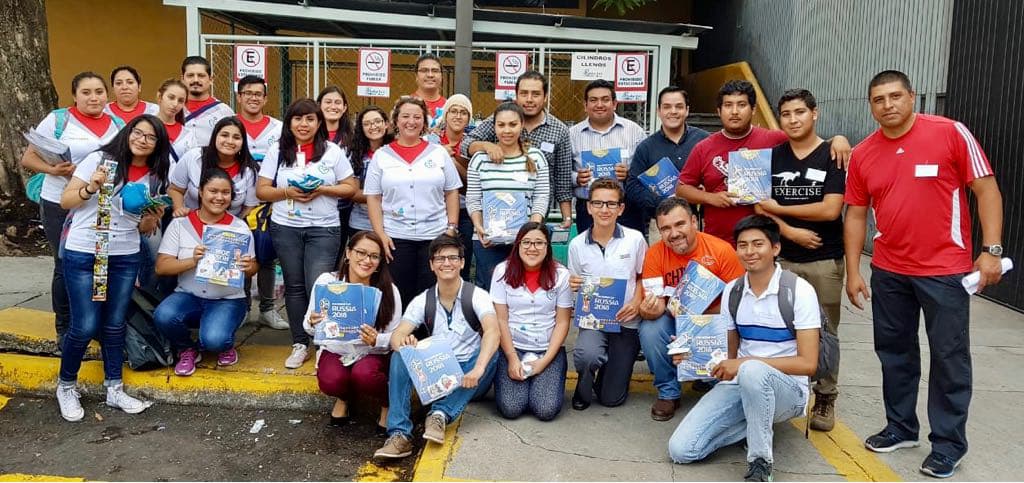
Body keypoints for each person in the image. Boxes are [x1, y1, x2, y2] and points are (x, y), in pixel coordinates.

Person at [845, 70, 1004, 479]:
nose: (888, 105)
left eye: (896, 96)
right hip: (889, 270)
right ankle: (901, 426)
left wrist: (991, 251)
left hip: (945, 271)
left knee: (949, 358)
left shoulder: (950, 133)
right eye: (879, 99)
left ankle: (948, 444)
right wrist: (853, 270)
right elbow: (857, 213)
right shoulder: (863, 153)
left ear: (912, 97)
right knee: (894, 353)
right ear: (871, 105)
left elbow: (986, 189)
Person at [668, 214, 821, 483]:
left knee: (752, 370)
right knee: (682, 450)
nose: (750, 252)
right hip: (741, 383)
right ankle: (755, 427)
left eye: (758, 244)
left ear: (775, 248)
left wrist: (746, 363)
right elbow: (727, 355)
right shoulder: (733, 291)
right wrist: (691, 354)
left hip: (788, 391)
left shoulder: (799, 291)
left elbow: (808, 364)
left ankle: (760, 461)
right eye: (742, 245)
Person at [54, 114, 170, 421]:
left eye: (150, 137)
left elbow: (145, 227)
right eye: (137, 133)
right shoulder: (100, 160)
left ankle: (114, 388)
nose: (142, 140)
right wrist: (91, 188)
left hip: (123, 254)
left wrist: (151, 216)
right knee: (85, 324)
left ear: (158, 144)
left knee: (115, 323)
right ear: (128, 133)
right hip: (84, 251)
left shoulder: (156, 175)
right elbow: (66, 201)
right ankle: (66, 385)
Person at [754, 88, 845, 432]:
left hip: (824, 260)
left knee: (825, 331)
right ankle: (786, 388)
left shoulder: (832, 154)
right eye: (786, 114)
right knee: (780, 328)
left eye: (800, 113)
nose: (793, 120)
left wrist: (780, 209)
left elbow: (831, 209)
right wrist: (788, 231)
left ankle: (825, 396)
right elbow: (758, 204)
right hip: (781, 261)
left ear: (814, 114)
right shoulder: (773, 156)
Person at [20, 71, 124, 349]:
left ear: (106, 95)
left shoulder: (117, 123)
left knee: (99, 263)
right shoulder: (58, 120)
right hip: (59, 202)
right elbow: (28, 157)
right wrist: (52, 169)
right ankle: (64, 326)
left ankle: (94, 323)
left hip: (99, 206)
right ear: (74, 96)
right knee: (64, 263)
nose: (94, 98)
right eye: (86, 92)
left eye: (99, 92)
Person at [676, 80, 851, 244]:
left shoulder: (774, 139)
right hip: (719, 241)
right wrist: (710, 198)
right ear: (719, 111)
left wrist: (838, 139)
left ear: (753, 109)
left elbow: (808, 144)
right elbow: (681, 189)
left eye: (742, 105)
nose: (735, 111)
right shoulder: (703, 147)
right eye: (728, 105)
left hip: (766, 243)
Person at [373, 235, 500, 461]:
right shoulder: (424, 299)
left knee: (492, 351)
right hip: (436, 375)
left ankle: (440, 414)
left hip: (469, 377)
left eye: (453, 257)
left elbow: (492, 330)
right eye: (440, 258)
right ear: (431, 264)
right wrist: (404, 343)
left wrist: (478, 369)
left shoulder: (478, 296)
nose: (447, 263)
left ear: (462, 262)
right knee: (399, 356)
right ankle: (400, 434)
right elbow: (398, 335)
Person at [256, 98, 357, 369]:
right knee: (295, 285)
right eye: (298, 118)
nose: (304, 124)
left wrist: (323, 190)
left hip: (324, 228)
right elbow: (262, 190)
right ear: (289, 122)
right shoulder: (278, 150)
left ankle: (324, 344)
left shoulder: (332, 151)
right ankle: (300, 342)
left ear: (319, 122)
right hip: (285, 226)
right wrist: (287, 192)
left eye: (310, 119)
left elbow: (350, 187)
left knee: (320, 284)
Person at [637, 197, 745, 421]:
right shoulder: (655, 254)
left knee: (727, 327)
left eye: (680, 224)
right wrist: (649, 309)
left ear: (694, 222)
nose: (674, 233)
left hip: (714, 319)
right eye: (665, 228)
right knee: (650, 328)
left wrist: (700, 321)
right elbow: (654, 308)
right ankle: (669, 392)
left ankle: (712, 378)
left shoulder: (721, 251)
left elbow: (739, 303)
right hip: (673, 317)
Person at [154, 168, 259, 375]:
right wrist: (192, 260)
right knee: (163, 316)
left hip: (227, 299)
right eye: (213, 191)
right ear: (201, 192)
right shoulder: (180, 225)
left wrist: (248, 267)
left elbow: (253, 266)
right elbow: (162, 266)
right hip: (188, 295)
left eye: (225, 192)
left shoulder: (239, 228)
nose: (219, 197)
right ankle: (187, 349)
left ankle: (221, 343)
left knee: (215, 340)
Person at [364, 96, 461, 308]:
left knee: (432, 294)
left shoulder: (438, 154)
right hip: (396, 237)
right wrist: (380, 233)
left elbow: (452, 190)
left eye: (417, 117)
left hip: (434, 235)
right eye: (405, 116)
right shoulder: (382, 156)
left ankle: (429, 340)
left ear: (424, 123)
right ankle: (401, 339)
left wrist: (451, 228)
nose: (411, 121)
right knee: (399, 293)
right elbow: (373, 196)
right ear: (395, 121)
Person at [303, 230, 401, 432]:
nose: (367, 260)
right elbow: (308, 326)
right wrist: (313, 323)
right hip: (337, 350)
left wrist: (377, 340)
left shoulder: (389, 290)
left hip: (371, 353)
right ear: (348, 253)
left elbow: (395, 337)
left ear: (380, 261)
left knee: (365, 374)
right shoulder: (326, 282)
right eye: (361, 253)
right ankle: (345, 397)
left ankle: (387, 403)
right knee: (330, 380)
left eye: (374, 256)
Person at [567, 178, 647, 410]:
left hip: (626, 321)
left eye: (611, 204)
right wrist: (574, 285)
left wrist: (637, 300)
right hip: (594, 321)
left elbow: (644, 276)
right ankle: (583, 389)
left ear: (620, 209)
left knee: (611, 398)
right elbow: (575, 283)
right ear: (589, 207)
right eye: (598, 203)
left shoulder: (635, 239)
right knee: (586, 355)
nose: (604, 209)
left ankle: (610, 373)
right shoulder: (577, 245)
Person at [463, 71, 574, 228]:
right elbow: (466, 143)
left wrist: (567, 218)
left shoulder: (559, 130)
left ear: (545, 96)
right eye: (524, 93)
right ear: (516, 95)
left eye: (535, 94)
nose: (529, 99)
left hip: (535, 218)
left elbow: (563, 179)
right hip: (495, 219)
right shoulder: (502, 118)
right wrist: (487, 146)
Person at [491, 222, 572, 421]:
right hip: (513, 346)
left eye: (539, 243)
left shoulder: (561, 275)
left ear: (547, 247)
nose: (532, 248)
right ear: (517, 245)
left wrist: (544, 362)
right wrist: (511, 358)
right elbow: (501, 319)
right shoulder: (502, 271)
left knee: (545, 409)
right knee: (511, 408)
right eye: (526, 242)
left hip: (547, 349)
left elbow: (562, 322)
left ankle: (548, 376)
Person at [466, 102, 550, 290]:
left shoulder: (536, 158)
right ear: (494, 127)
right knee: (489, 292)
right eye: (501, 125)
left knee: (523, 292)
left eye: (512, 124)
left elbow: (542, 196)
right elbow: (473, 198)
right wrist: (479, 226)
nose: (507, 130)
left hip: (525, 242)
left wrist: (532, 230)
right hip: (488, 240)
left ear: (521, 125)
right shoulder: (480, 160)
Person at [235, 75, 287, 330]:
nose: (253, 98)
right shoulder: (230, 126)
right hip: (235, 203)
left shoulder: (278, 128)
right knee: (239, 255)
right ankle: (243, 307)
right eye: (248, 93)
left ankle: (267, 308)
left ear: (265, 98)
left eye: (258, 93)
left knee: (266, 256)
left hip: (268, 204)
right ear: (239, 96)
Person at [569, 79, 647, 235]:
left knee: (629, 254)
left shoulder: (634, 131)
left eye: (605, 99)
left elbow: (647, 169)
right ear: (585, 105)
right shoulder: (572, 134)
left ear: (615, 104)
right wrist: (576, 178)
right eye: (593, 100)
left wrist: (629, 174)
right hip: (589, 208)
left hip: (626, 207)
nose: (599, 104)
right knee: (591, 253)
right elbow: (561, 170)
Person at [624, 86, 709, 220]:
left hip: (702, 219)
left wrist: (705, 191)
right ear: (658, 111)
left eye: (679, 107)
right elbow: (633, 187)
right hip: (662, 221)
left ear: (687, 110)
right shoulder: (646, 147)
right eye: (667, 107)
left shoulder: (705, 140)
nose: (673, 111)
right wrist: (663, 201)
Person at [169, 117, 260, 219]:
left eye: (236, 137)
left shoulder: (249, 171)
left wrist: (235, 227)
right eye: (224, 135)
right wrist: (179, 210)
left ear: (243, 142)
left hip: (228, 230)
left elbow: (249, 207)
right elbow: (175, 189)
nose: (230, 141)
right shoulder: (193, 157)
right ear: (214, 136)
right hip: (190, 224)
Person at [437, 94, 475, 279]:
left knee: (462, 259)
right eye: (453, 111)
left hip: (465, 209)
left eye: (463, 112)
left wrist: (450, 158)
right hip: (437, 209)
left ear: (469, 118)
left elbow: (473, 180)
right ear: (446, 115)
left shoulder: (472, 144)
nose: (458, 116)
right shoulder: (432, 141)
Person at [346, 106, 393, 235]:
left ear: (386, 124)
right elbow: (353, 192)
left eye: (377, 121)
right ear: (361, 128)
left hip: (391, 222)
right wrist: (387, 196)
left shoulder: (396, 151)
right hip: (360, 222)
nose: (373, 126)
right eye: (367, 124)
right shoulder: (355, 154)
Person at [179, 56, 233, 155]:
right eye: (190, 75)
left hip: (212, 167)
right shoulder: (173, 109)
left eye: (201, 75)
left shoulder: (224, 112)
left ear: (211, 79)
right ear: (182, 79)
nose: (196, 80)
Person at [153, 78, 189, 161]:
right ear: (159, 96)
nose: (175, 104)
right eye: (171, 98)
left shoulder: (188, 135)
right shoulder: (144, 126)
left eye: (180, 101)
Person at [411, 53, 447, 127]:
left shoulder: (448, 107)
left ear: (441, 76)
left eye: (435, 70)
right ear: (416, 76)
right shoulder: (404, 105)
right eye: (424, 70)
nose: (430, 75)